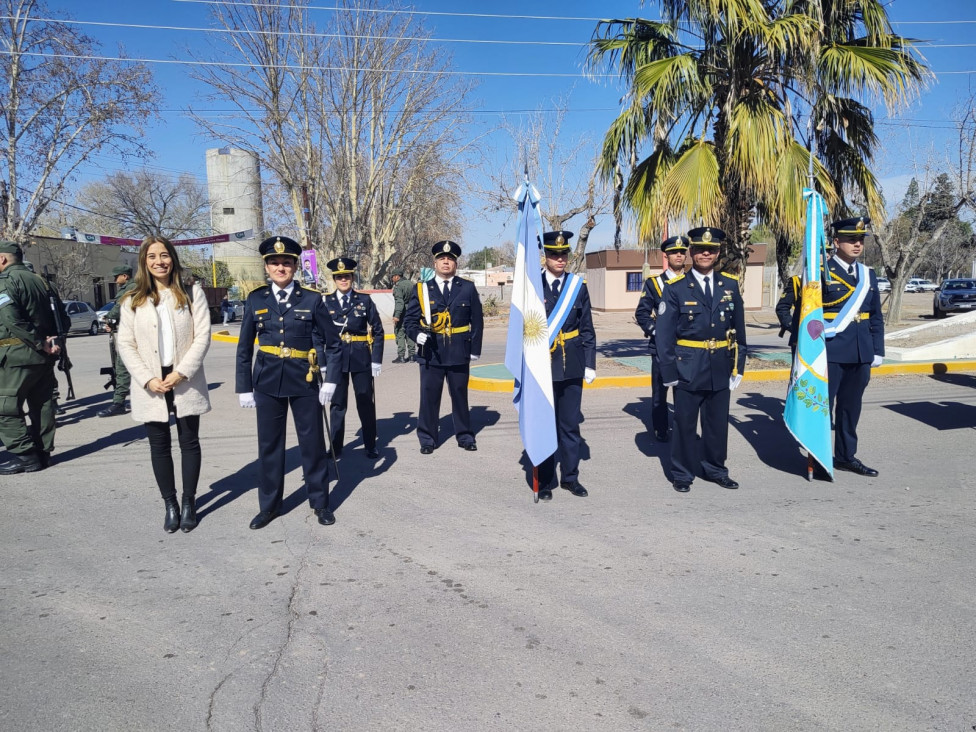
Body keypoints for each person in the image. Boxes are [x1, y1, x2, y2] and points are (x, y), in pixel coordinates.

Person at [235, 235, 342, 529]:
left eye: (286, 262)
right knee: (269, 446)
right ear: (266, 267)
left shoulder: (311, 299)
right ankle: (269, 506)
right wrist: (244, 386)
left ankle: (320, 502)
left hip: (305, 380)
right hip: (267, 381)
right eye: (274, 262)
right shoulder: (256, 299)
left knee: (312, 443)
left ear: (295, 266)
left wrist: (330, 380)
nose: (280, 267)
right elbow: (244, 348)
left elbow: (333, 344)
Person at [115, 237, 212, 533]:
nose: (160, 261)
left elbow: (203, 336)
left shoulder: (191, 292)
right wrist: (147, 378)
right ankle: (170, 504)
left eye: (165, 255)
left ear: (173, 258)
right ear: (144, 261)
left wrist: (182, 372)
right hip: (151, 382)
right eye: (153, 256)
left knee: (189, 442)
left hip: (184, 379)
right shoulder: (133, 299)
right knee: (159, 446)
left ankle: (188, 502)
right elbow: (126, 343)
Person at [656, 227, 747, 493]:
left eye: (712, 249)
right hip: (688, 366)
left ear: (718, 253)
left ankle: (716, 469)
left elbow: (739, 331)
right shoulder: (676, 288)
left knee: (717, 424)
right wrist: (668, 370)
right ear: (691, 253)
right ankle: (682, 473)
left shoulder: (729, 284)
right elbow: (664, 336)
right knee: (684, 424)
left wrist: (738, 366)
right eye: (700, 249)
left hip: (720, 364)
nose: (706, 253)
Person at [404, 240, 483, 454]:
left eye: (450, 259)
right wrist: (417, 334)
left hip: (459, 351)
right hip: (431, 352)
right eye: (442, 259)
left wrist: (475, 349)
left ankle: (465, 436)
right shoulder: (421, 289)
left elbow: (477, 319)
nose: (446, 262)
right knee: (429, 397)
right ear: (435, 263)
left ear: (455, 263)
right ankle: (428, 439)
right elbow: (409, 320)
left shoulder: (467, 287)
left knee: (460, 395)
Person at [820, 216, 884, 477]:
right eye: (850, 240)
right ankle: (820, 457)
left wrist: (877, 350)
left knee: (850, 408)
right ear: (836, 242)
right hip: (831, 350)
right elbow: (808, 314)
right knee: (823, 408)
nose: (857, 244)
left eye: (860, 240)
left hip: (861, 351)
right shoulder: (821, 272)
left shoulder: (868, 274)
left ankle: (846, 456)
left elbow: (876, 316)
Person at [536, 230, 596, 500]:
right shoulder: (533, 287)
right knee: (545, 426)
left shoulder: (577, 286)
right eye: (554, 254)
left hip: (572, 363)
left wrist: (590, 363)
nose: (560, 258)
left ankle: (570, 478)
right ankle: (546, 481)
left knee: (569, 425)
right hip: (542, 366)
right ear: (545, 256)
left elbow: (587, 329)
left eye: (563, 254)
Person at [0, 241, 60, 474]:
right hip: (44, 356)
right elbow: (61, 319)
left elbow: (11, 319)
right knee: (42, 405)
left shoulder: (5, 282)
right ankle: (43, 453)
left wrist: (38, 342)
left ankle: (25, 456)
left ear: (3, 260)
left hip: (16, 355)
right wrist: (54, 345)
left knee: (5, 408)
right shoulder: (44, 282)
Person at [323, 257, 384, 460]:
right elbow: (317, 333)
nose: (343, 280)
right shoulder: (325, 302)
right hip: (336, 358)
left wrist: (376, 359)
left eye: (347, 276)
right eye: (339, 277)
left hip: (360, 356)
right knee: (338, 404)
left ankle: (370, 444)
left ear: (352, 278)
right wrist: (322, 363)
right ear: (334, 279)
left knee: (365, 401)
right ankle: (335, 446)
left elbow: (378, 330)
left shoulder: (364, 300)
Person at [634, 235, 689, 442]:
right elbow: (642, 313)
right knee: (660, 391)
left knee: (685, 393)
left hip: (688, 348)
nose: (679, 255)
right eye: (675, 252)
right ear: (666, 255)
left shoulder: (692, 282)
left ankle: (685, 430)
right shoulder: (655, 284)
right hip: (661, 348)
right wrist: (658, 331)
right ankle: (661, 428)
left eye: (682, 252)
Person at [98, 264, 137, 417]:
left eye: (116, 277)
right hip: (132, 331)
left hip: (131, 335)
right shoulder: (135, 286)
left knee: (122, 369)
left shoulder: (130, 288)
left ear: (125, 276)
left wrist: (109, 318)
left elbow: (120, 307)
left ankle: (118, 403)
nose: (115, 280)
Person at [390, 269, 416, 363]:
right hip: (411, 311)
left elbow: (400, 302)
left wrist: (396, 315)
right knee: (409, 333)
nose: (392, 279)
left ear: (397, 276)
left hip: (402, 313)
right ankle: (412, 355)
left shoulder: (398, 286)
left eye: (393, 276)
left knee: (400, 333)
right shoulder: (410, 284)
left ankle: (401, 356)